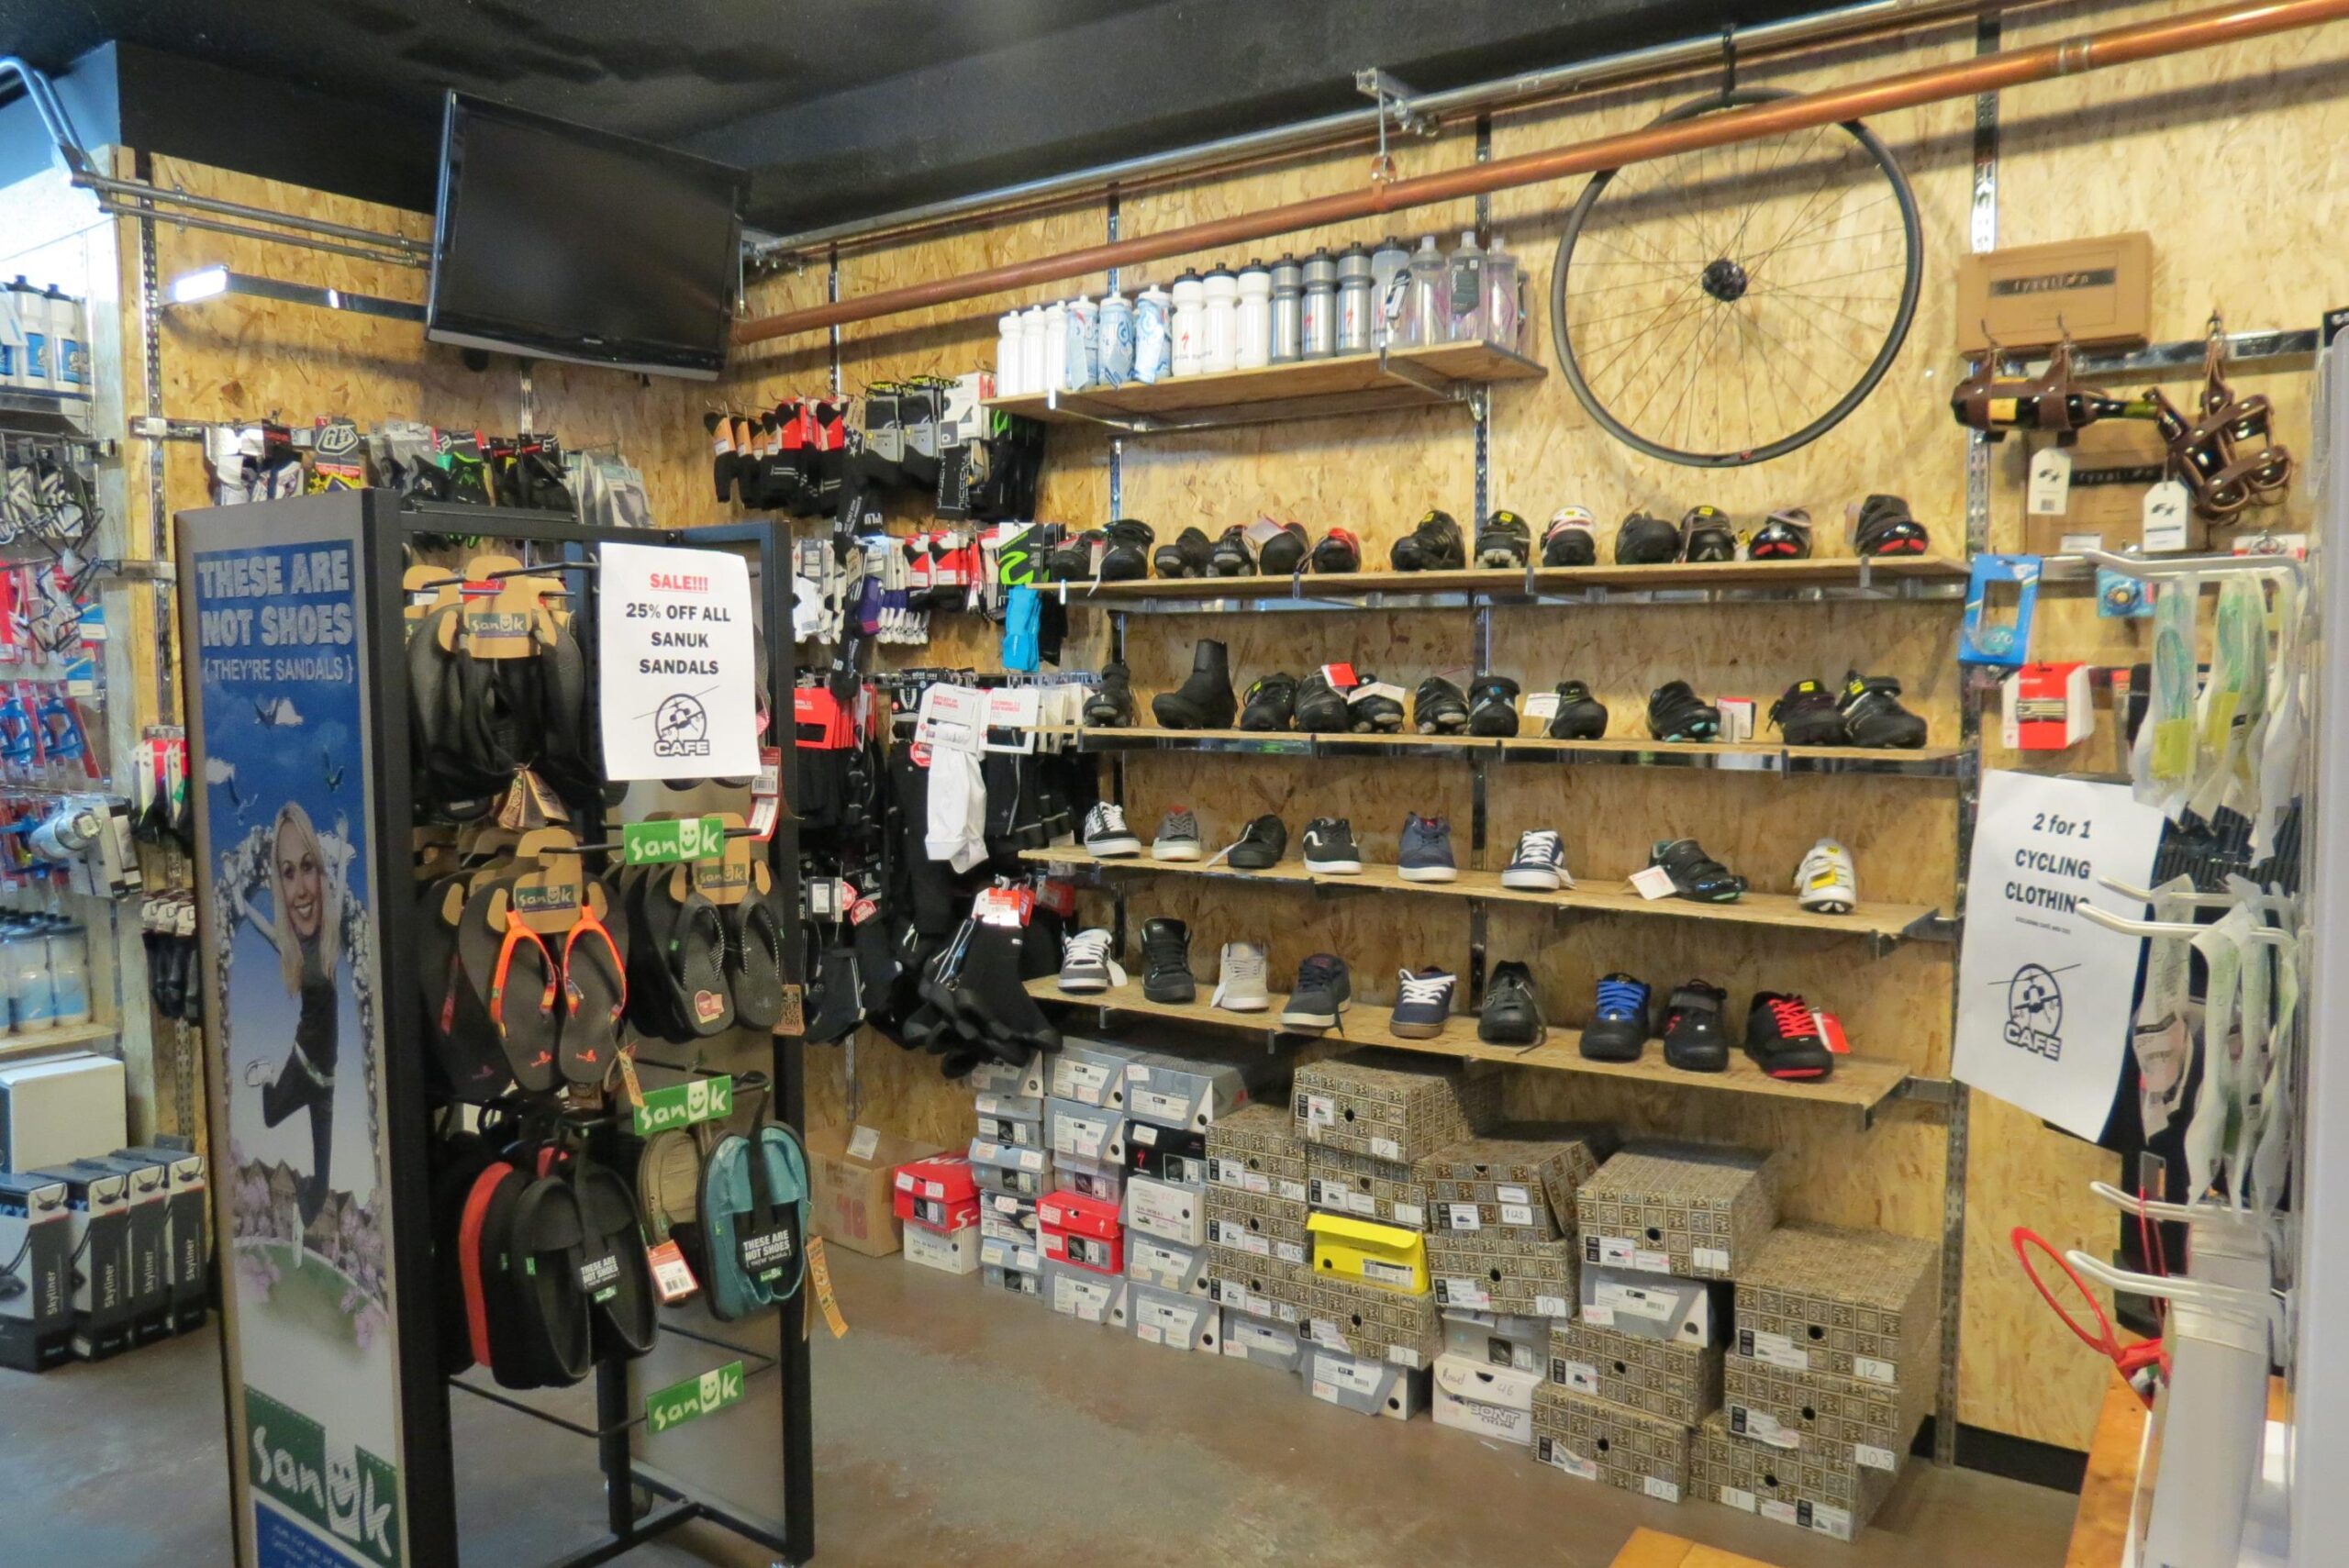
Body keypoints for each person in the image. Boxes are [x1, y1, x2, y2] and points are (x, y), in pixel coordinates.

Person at [237, 803, 342, 1225]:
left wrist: (344, 844)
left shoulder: (332, 938)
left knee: (323, 1174)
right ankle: (266, 1080)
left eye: (309, 866)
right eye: (287, 872)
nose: (301, 888)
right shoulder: (295, 950)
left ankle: (308, 1211)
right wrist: (241, 907)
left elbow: (342, 885)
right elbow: (266, 929)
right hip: (303, 1064)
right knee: (271, 1113)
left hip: (327, 1078)